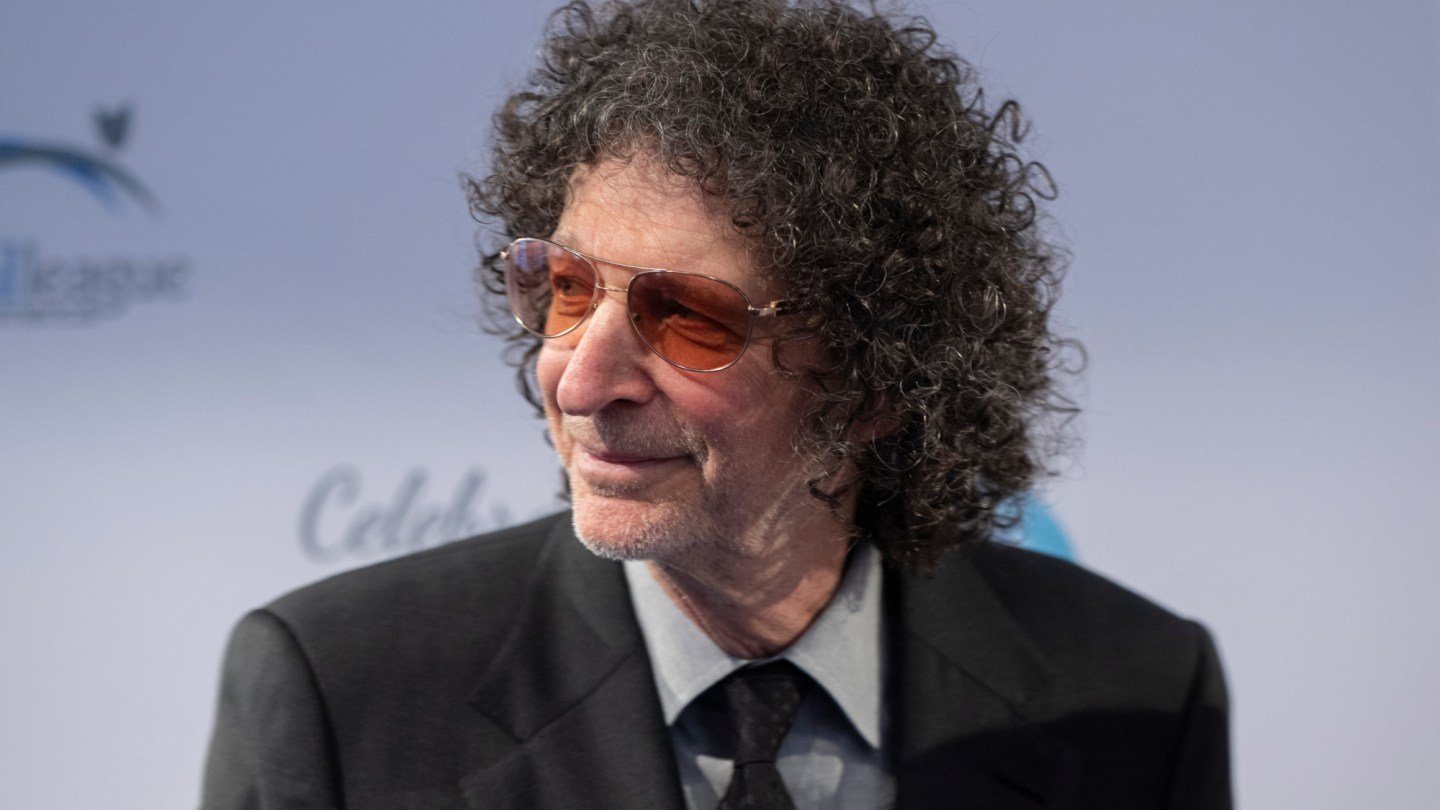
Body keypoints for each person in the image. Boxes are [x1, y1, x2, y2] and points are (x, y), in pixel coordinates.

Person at [202, 1, 1231, 807]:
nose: (580, 379)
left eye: (688, 317)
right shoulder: (341, 694)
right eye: (567, 288)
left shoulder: (1136, 691)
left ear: (876, 380)